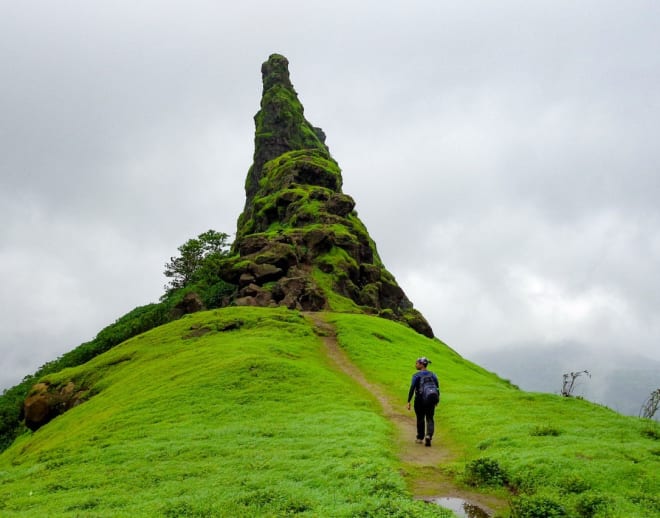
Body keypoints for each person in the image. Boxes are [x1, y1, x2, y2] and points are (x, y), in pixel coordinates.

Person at [406, 357, 439, 447]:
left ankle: (420, 438)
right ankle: (428, 436)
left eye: (416, 363)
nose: (415, 365)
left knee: (420, 418)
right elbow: (437, 387)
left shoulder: (416, 375)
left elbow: (412, 388)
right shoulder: (433, 374)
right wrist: (437, 399)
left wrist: (409, 401)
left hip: (419, 399)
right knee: (430, 418)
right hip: (430, 398)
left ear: (421, 364)